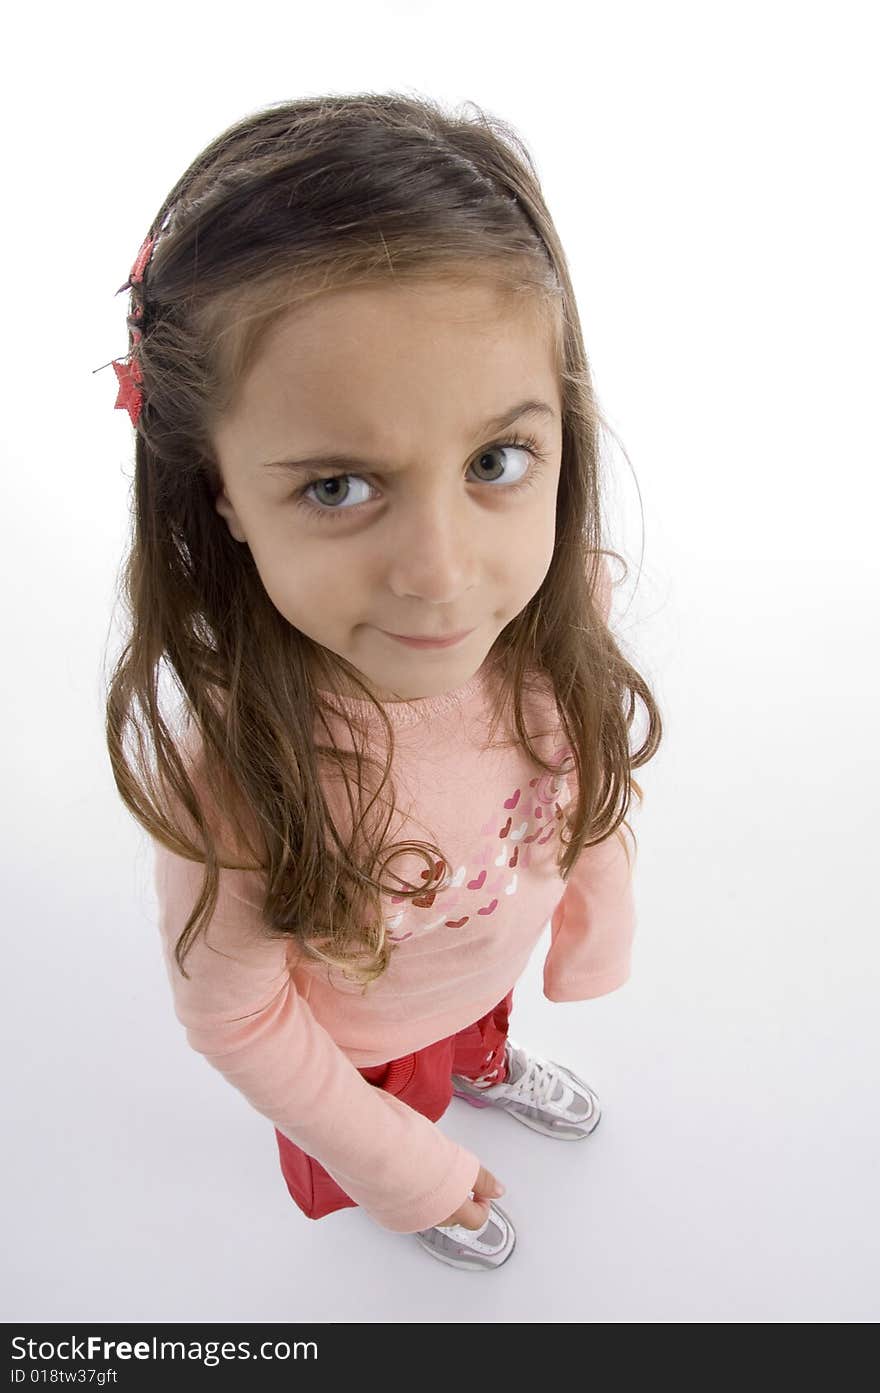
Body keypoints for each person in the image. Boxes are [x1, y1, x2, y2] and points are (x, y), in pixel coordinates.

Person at [102, 92, 663, 1273]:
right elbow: (238, 1016)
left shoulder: (568, 611)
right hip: (358, 1055)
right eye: (339, 487)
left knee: (473, 1027)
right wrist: (409, 1174)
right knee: (405, 1123)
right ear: (222, 496)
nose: (442, 575)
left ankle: (486, 1060)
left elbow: (583, 784)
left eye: (496, 461)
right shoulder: (247, 775)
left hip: (487, 971)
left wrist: (588, 932)